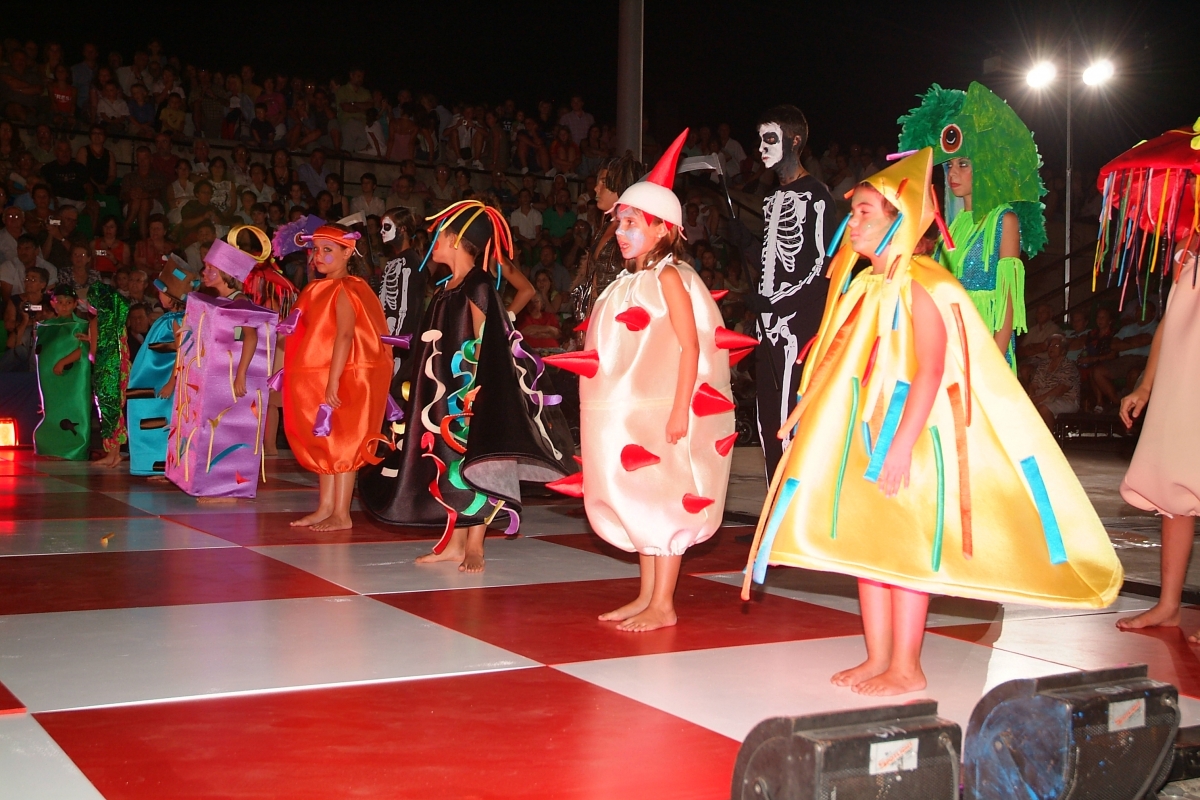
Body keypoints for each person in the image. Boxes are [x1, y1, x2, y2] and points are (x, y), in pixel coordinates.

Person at [742, 150, 1121, 694]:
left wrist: (901, 444)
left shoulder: (924, 282)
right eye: (855, 213)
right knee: (865, 547)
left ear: (900, 220)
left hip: (909, 437)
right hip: (867, 431)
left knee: (904, 548)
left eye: (868, 212)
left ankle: (908, 665)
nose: (855, 223)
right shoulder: (865, 286)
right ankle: (878, 656)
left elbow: (930, 369)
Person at [545, 131, 739, 631]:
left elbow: (690, 345)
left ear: (661, 229)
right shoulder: (625, 284)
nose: (622, 230)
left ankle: (664, 603)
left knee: (667, 498)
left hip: (664, 409)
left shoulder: (670, 277)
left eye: (632, 223)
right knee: (646, 500)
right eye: (620, 222)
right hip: (635, 414)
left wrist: (680, 410)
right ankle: (648, 594)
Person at [358, 201, 573, 569]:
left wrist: (477, 394)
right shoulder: (446, 287)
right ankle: (455, 540)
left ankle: (475, 544)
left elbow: (484, 343)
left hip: (467, 394)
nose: (433, 241)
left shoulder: (479, 285)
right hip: (443, 395)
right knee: (450, 463)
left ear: (456, 240)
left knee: (477, 463)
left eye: (440, 235)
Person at [898, 82, 1048, 369]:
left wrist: (991, 366)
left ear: (985, 164)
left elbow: (1007, 306)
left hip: (983, 351)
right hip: (948, 345)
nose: (953, 173)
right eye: (949, 165)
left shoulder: (1005, 220)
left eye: (963, 164)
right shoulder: (954, 226)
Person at [726, 105, 836, 479]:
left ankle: (794, 515)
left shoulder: (817, 196)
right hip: (769, 324)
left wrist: (775, 302)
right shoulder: (773, 199)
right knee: (766, 419)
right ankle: (774, 512)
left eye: (769, 139)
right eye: (759, 139)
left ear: (794, 141)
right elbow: (774, 263)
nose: (761, 147)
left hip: (798, 326)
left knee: (792, 419)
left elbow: (822, 269)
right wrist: (747, 245)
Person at [1116, 242, 1200, 637]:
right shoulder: (1187, 244)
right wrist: (1146, 386)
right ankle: (1168, 605)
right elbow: (1171, 319)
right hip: (1182, 377)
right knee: (1174, 484)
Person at [283, 225, 390, 529]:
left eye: (328, 249)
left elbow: (344, 335)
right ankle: (325, 506)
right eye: (316, 249)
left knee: (344, 441)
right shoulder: (315, 289)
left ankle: (341, 513)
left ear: (347, 253)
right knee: (325, 439)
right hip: (322, 375)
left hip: (344, 375)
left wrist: (333, 380)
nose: (319, 255)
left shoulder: (347, 287)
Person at [165, 239, 276, 499]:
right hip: (216, 378)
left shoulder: (239, 302)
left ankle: (224, 486)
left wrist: (240, 375)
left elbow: (250, 337)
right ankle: (205, 481)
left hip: (230, 378)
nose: (204, 273)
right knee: (211, 428)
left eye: (210, 269)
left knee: (227, 431)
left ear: (228, 274)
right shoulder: (218, 302)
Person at [569, 154, 644, 325]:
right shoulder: (605, 225)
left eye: (603, 182)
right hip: (594, 320)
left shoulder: (636, 230)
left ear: (623, 186)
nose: (596, 188)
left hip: (617, 324)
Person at [32, 285, 92, 460]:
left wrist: (63, 362)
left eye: (68, 302)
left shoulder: (81, 325)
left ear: (75, 304)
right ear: (53, 303)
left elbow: (85, 349)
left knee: (74, 408)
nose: (64, 306)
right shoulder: (45, 326)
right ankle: (51, 445)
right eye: (60, 302)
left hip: (74, 379)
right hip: (51, 380)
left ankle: (74, 447)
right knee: (52, 409)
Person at [375, 208, 426, 383]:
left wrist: (396, 345)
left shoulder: (410, 262)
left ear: (402, 229)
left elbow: (408, 307)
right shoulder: (394, 261)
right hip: (388, 340)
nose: (381, 231)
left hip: (400, 345)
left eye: (387, 227)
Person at [87, 281, 131, 468]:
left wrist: (89, 348)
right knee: (117, 410)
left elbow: (95, 352)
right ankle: (116, 452)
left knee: (107, 411)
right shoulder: (118, 321)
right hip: (122, 368)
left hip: (106, 370)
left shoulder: (96, 321)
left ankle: (112, 454)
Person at [1028, 334, 1081, 426]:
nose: (1051, 348)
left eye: (1056, 346)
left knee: (1043, 408)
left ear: (1063, 350)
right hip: (1042, 397)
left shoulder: (1068, 365)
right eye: (1050, 345)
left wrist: (1039, 399)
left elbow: (1062, 389)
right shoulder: (1043, 365)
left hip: (1066, 399)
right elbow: (1034, 384)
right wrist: (1031, 396)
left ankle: (1049, 437)